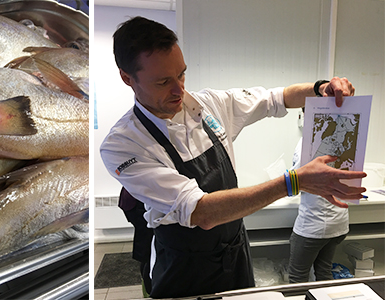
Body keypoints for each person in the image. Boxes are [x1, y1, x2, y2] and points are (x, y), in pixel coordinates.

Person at [99, 16, 366, 298]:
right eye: (164, 81)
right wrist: (294, 183)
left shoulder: (211, 104)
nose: (179, 90)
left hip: (236, 253)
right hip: (183, 266)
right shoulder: (123, 145)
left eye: (182, 74)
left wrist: (320, 89)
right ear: (127, 78)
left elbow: (278, 98)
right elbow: (200, 211)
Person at [288, 136, 349, 283]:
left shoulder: (308, 141)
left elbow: (294, 182)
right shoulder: (345, 139)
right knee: (324, 272)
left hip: (314, 224)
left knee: (297, 278)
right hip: (339, 222)